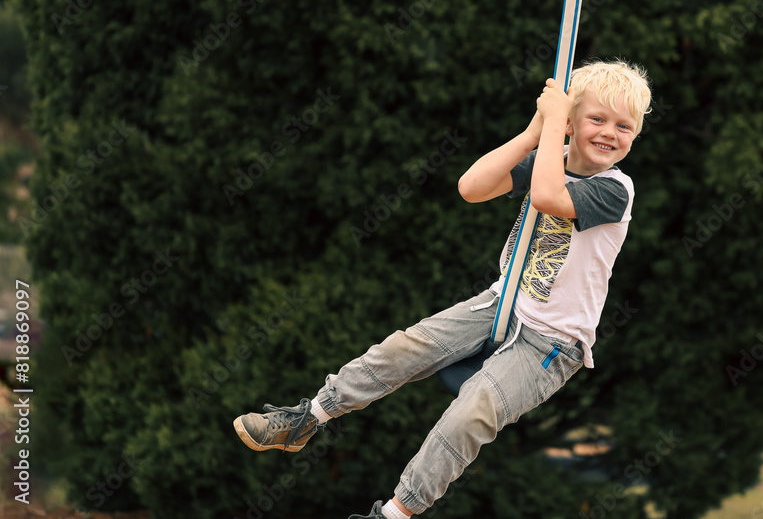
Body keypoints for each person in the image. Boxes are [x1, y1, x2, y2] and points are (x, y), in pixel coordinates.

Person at [233, 59, 652, 518]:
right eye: (597, 119)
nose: (609, 133)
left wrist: (554, 130)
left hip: (552, 341)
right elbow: (471, 187)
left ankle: (395, 513)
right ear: (571, 121)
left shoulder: (616, 190)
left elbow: (549, 197)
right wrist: (536, 130)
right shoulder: (547, 158)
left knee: (472, 412)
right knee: (405, 347)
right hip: (502, 302)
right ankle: (309, 417)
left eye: (624, 126)